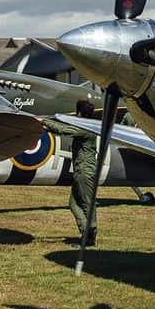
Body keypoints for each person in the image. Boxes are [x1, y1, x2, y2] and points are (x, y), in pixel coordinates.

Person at [67, 98, 99, 244]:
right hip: (81, 170)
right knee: (73, 204)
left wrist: (44, 123)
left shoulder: (83, 128)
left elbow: (64, 130)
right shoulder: (87, 125)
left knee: (86, 204)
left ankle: (89, 233)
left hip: (84, 171)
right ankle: (87, 233)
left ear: (79, 112)